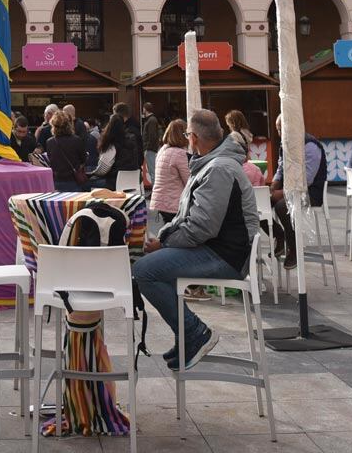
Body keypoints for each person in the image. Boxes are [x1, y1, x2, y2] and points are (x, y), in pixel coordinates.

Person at [132, 109, 258, 370]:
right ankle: (186, 335)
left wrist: (163, 243)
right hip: (219, 248)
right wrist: (165, 238)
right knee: (155, 267)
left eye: (189, 134)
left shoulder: (219, 168)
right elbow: (188, 218)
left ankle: (194, 332)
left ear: (195, 138)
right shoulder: (213, 163)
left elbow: (201, 227)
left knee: (144, 271)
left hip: (226, 255)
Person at [269, 115, 327, 269]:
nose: (280, 133)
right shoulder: (285, 144)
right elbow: (281, 168)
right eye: (278, 130)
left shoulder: (310, 145)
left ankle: (294, 249)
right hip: (290, 188)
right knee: (258, 203)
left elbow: (306, 180)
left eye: (282, 129)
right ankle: (278, 235)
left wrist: (283, 193)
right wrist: (274, 185)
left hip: (311, 192)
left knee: (282, 207)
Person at [150, 119, 190, 223]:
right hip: (173, 202)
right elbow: (189, 181)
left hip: (161, 201)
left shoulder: (163, 150)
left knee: (167, 228)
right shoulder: (180, 154)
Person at [46, 110, 87, 191]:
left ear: (53, 126)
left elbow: (50, 160)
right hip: (74, 181)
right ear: (69, 124)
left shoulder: (50, 142)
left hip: (56, 181)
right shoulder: (77, 140)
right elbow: (83, 159)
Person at [89, 112, 122, 189]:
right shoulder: (130, 140)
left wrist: (91, 174)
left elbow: (103, 170)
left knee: (85, 183)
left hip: (112, 181)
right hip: (129, 181)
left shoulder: (112, 145)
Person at [141, 102, 161, 187]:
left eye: (143, 108)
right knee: (152, 170)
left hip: (150, 149)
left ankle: (155, 190)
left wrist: (147, 148)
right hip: (151, 149)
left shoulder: (151, 120)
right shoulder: (152, 119)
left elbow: (152, 136)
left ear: (145, 109)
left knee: (153, 171)